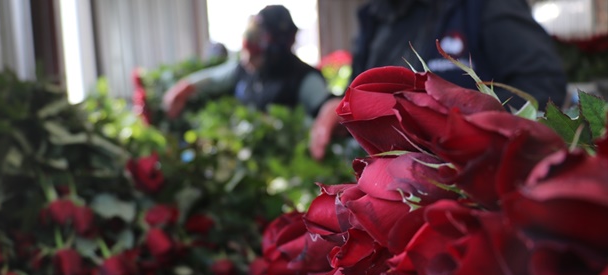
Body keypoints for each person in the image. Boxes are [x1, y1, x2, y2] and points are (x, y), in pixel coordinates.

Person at [309, 0, 569, 160]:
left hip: (475, 184)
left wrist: (463, 137)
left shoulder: (484, 6)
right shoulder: (375, 18)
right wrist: (339, 109)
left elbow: (543, 85)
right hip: (400, 187)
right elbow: (362, 91)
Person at [162, 5, 333, 120]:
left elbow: (327, 109)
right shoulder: (244, 69)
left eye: (255, 55)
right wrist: (182, 88)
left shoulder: (303, 77)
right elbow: (213, 79)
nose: (248, 61)